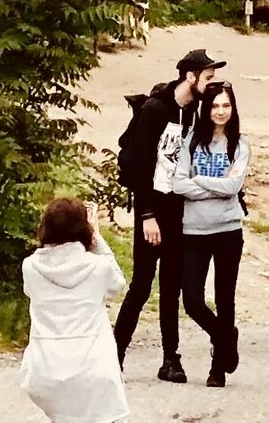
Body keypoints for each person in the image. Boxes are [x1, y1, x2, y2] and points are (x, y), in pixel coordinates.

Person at [113, 47, 219, 382]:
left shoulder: (196, 113)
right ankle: (114, 356)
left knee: (171, 287)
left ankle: (170, 359)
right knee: (141, 286)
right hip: (152, 209)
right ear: (191, 76)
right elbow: (139, 163)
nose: (212, 83)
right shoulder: (156, 110)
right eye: (208, 77)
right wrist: (146, 215)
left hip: (179, 212)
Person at [163, 78, 250, 388]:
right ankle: (226, 337)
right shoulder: (191, 141)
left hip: (228, 230)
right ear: (206, 109)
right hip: (194, 231)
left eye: (226, 105)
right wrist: (215, 185)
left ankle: (217, 369)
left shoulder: (239, 144)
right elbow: (177, 184)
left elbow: (233, 187)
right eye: (215, 106)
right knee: (193, 301)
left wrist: (200, 182)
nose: (221, 111)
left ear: (233, 108)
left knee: (225, 299)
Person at [21, 195, 127, 423]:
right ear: (84, 229)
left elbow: (30, 291)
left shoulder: (30, 267)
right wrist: (97, 238)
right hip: (93, 370)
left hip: (45, 369)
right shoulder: (99, 267)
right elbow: (118, 284)